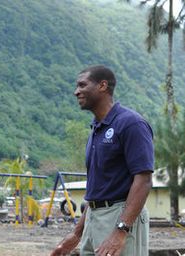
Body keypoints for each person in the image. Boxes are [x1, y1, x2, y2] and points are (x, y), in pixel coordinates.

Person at [50, 65, 154, 256]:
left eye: (82, 85)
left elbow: (144, 179)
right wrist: (76, 233)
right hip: (93, 216)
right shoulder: (97, 129)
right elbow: (97, 188)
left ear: (102, 86)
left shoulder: (131, 123)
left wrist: (121, 230)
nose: (76, 92)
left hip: (119, 216)